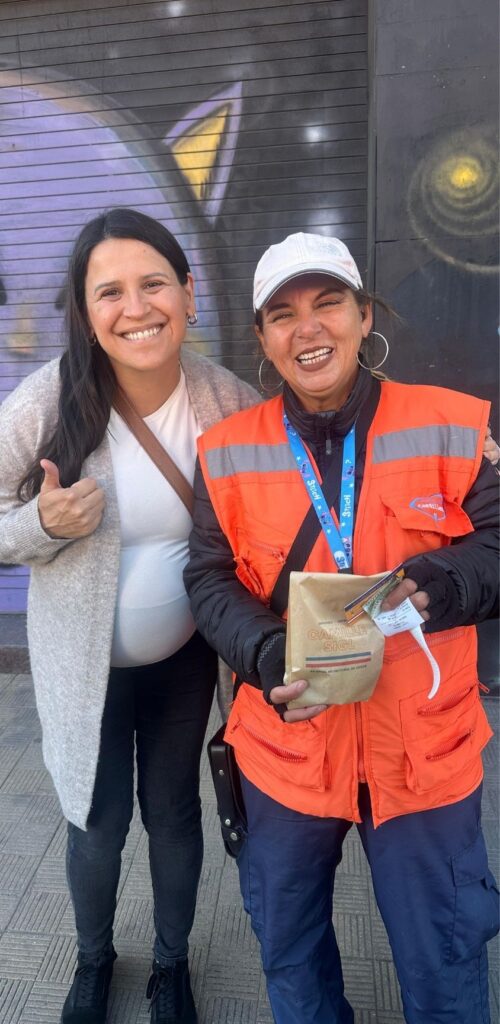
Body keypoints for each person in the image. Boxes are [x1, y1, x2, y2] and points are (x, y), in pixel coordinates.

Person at [184, 232, 500, 1024]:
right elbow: (208, 577)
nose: (308, 328)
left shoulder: (452, 425)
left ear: (365, 316)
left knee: (445, 962)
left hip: (424, 756)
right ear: (261, 338)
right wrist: (261, 652)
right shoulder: (223, 453)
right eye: (283, 314)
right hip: (286, 753)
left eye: (328, 303)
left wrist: (445, 581)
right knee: (291, 956)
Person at [0, 207, 260, 1024]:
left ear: (188, 293)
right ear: (85, 310)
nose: (136, 307)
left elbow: (312, 465)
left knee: (174, 813)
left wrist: (470, 457)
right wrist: (41, 526)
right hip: (83, 667)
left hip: (187, 658)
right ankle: (93, 960)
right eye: (109, 291)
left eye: (154, 284)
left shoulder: (228, 399)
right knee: (97, 822)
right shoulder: (46, 402)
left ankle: (172, 968)